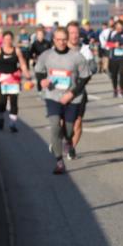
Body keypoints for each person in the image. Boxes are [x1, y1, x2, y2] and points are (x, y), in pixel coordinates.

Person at [33, 27, 93, 175]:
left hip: (72, 98)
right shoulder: (46, 55)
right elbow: (39, 71)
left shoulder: (76, 57)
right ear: (54, 40)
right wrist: (42, 81)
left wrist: (72, 93)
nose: (61, 42)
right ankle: (59, 162)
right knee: (54, 126)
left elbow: (86, 76)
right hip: (53, 96)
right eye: (58, 39)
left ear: (67, 40)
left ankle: (67, 140)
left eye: (64, 39)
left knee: (69, 129)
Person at [0, 30, 31, 133]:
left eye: (9, 39)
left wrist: (26, 74)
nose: (7, 41)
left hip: (14, 79)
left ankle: (12, 123)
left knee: (14, 102)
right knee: (2, 102)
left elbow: (23, 64)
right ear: (3, 40)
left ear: (12, 40)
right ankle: (2, 116)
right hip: (2, 79)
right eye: (5, 39)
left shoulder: (17, 51)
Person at [67, 20, 98, 159]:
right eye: (71, 33)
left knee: (78, 121)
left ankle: (71, 148)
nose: (74, 36)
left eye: (76, 33)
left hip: (79, 91)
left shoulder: (85, 50)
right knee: (62, 122)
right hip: (60, 90)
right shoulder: (59, 49)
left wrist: (87, 64)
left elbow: (94, 69)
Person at [106, 19, 123, 97]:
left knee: (122, 73)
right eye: (118, 27)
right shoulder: (112, 33)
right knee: (114, 74)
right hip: (113, 58)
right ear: (115, 27)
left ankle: (122, 91)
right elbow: (107, 44)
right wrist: (114, 45)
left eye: (121, 27)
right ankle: (115, 90)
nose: (119, 29)